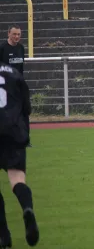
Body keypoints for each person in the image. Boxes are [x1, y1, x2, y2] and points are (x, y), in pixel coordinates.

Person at [0, 62, 39, 247]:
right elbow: (27, 109)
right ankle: (27, 209)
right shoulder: (15, 74)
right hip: (13, 132)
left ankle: (4, 236)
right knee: (17, 181)